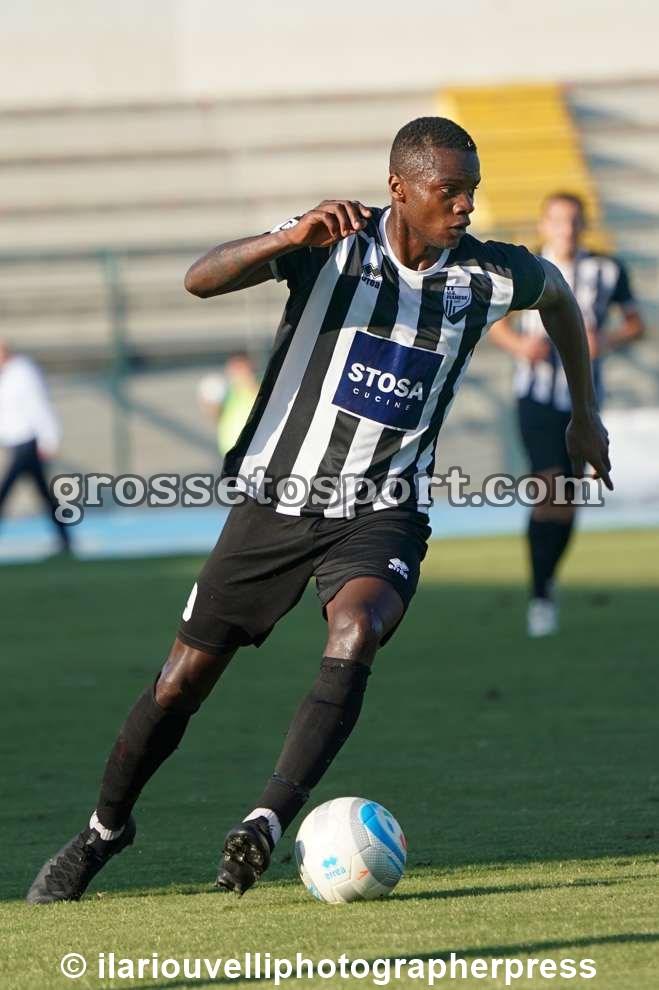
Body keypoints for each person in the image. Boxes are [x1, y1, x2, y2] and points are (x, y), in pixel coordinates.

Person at [27, 118, 611, 905]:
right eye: (449, 190)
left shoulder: (488, 273)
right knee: (181, 681)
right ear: (398, 188)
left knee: (356, 627)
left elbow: (561, 300)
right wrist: (285, 238)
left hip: (383, 509)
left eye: (471, 189)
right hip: (275, 501)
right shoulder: (332, 242)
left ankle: (267, 819)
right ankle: (103, 831)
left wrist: (583, 414)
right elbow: (200, 280)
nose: (466, 205)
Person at [489, 192, 643, 637]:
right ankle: (540, 595)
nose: (567, 228)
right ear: (544, 224)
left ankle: (547, 579)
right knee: (550, 490)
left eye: (574, 220)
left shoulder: (607, 270)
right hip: (535, 397)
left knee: (570, 501)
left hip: (584, 401)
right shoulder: (528, 267)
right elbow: (496, 323)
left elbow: (635, 324)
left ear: (584, 224)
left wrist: (606, 340)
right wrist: (521, 345)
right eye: (558, 220)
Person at [0, 341, 71, 555]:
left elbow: (38, 407)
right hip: (16, 444)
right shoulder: (8, 375)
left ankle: (65, 538)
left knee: (5, 493)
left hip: (27, 444)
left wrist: (49, 439)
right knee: (45, 496)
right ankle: (65, 538)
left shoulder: (23, 374)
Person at [197, 352, 260, 460]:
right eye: (232, 369)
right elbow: (217, 417)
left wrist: (248, 382)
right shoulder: (229, 392)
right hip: (231, 453)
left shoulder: (258, 387)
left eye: (238, 368)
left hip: (254, 452)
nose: (234, 373)